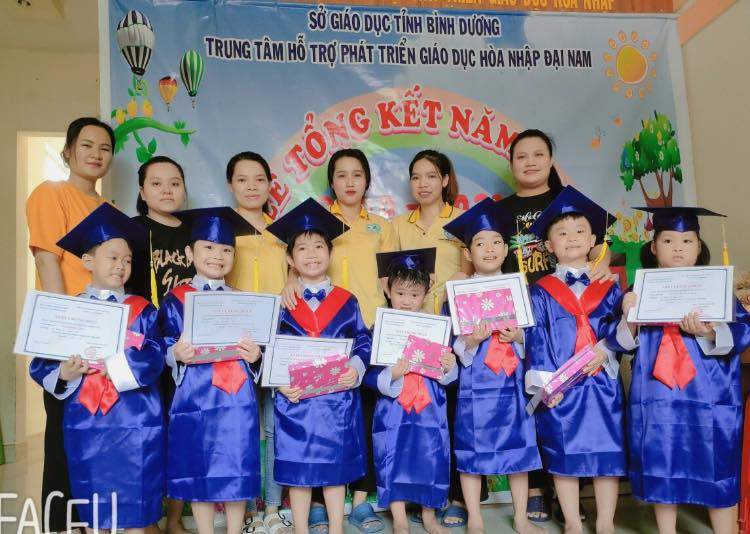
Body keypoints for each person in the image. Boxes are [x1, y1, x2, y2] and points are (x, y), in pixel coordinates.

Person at [496, 129, 612, 523]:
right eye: (521, 155)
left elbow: (600, 252)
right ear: (511, 163)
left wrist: (603, 274)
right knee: (535, 401)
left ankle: (571, 494)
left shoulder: (568, 203)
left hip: (573, 310)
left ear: (550, 160)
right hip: (525, 310)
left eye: (539, 154)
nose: (530, 162)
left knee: (578, 407)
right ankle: (539, 489)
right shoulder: (501, 210)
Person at [29, 203, 165, 533]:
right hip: (86, 423)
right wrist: (65, 373)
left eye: (127, 260)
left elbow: (155, 355)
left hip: (135, 421)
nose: (121, 266)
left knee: (134, 506)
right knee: (93, 505)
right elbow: (41, 364)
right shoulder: (69, 311)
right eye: (113, 257)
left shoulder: (143, 310)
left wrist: (116, 366)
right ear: (88, 261)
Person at [617, 207, 750, 534]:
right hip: (656, 392)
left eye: (687, 240)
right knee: (661, 458)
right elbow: (620, 342)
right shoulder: (639, 289)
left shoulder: (715, 287)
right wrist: (629, 316)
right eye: (668, 240)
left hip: (711, 393)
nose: (678, 248)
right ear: (653, 247)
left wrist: (709, 331)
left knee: (717, 462)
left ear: (699, 245)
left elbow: (743, 331)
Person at [26, 116, 115, 533]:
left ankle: (93, 521)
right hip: (68, 330)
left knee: (97, 433)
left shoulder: (110, 211)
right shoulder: (51, 194)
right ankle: (62, 524)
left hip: (104, 334)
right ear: (68, 151)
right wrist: (68, 331)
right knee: (63, 434)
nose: (96, 154)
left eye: (105, 148)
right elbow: (48, 261)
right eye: (87, 145)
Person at [524, 187, 630, 534]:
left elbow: (620, 326)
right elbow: (537, 338)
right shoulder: (540, 290)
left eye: (580, 231)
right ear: (549, 245)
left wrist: (607, 349)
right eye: (562, 233)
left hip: (602, 381)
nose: (572, 238)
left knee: (607, 451)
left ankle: (606, 522)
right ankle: (572, 521)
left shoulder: (610, 286)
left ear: (593, 240)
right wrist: (545, 385)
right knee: (563, 451)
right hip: (562, 385)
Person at [266, 198, 372, 534]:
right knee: (299, 472)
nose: (311, 254)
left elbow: (363, 341)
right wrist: (278, 383)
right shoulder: (282, 303)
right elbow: (270, 348)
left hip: (336, 401)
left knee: (334, 470)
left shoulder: (347, 300)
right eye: (302, 248)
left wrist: (356, 367)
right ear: (290, 259)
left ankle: (336, 528)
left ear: (330, 252)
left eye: (319, 247)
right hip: (295, 399)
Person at [158, 207, 263, 534]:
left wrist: (257, 356)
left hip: (237, 398)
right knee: (198, 464)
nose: (218, 255)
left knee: (236, 463)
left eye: (226, 250)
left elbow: (259, 348)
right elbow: (162, 345)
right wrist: (174, 353)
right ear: (190, 253)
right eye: (208, 247)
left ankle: (234, 530)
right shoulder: (175, 300)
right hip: (194, 396)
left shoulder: (244, 301)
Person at [443, 199, 543, 534]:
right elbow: (451, 347)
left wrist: (519, 336)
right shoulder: (456, 294)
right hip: (475, 384)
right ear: (468, 253)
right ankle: (475, 517)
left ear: (507, 248)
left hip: (513, 383)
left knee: (519, 448)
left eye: (497, 241)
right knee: (471, 450)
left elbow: (536, 338)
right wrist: (471, 341)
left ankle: (520, 517)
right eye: (480, 243)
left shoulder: (521, 289)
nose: (489, 249)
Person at [365, 247, 458, 534]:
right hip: (393, 408)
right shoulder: (379, 328)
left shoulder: (438, 328)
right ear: (388, 291)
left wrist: (449, 366)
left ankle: (429, 517)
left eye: (414, 294)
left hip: (430, 406)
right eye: (401, 293)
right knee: (392, 458)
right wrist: (391, 374)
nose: (407, 300)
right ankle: (400, 519)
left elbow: (450, 375)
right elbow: (368, 375)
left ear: (426, 294)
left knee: (432, 456)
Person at [225, 151, 293, 534]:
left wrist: (291, 281)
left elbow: (295, 273)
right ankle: (247, 507)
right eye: (242, 179)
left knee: (274, 425)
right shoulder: (222, 231)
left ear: (270, 185)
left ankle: (274, 507)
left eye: (259, 179)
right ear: (231, 185)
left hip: (276, 337)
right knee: (243, 427)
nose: (251, 187)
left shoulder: (282, 232)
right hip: (234, 341)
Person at [130, 155, 194, 534]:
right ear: (142, 191)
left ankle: (174, 518)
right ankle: (147, 518)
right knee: (149, 431)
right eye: (156, 183)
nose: (167, 190)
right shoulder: (133, 231)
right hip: (145, 345)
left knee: (181, 432)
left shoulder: (196, 233)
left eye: (175, 182)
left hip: (187, 346)